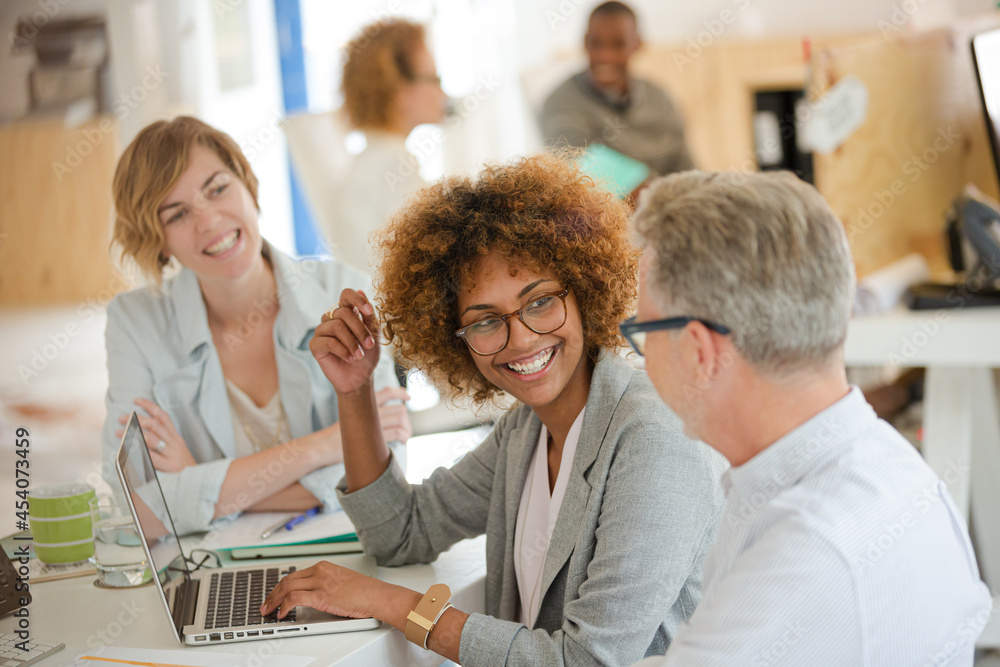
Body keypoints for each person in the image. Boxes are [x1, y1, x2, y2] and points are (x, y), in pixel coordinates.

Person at [261, 154, 725, 665]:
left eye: (541, 301)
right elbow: (401, 532)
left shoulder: (655, 437)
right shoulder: (525, 431)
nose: (521, 338)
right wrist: (355, 390)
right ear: (455, 341)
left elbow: (587, 660)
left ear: (585, 290)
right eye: (485, 322)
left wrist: (388, 602)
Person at [624, 170, 992, 665]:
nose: (642, 358)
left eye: (643, 332)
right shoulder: (887, 466)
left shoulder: (804, 553)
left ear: (698, 349)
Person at [101, 116, 411, 536]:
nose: (209, 221)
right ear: (157, 241)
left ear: (248, 185)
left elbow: (384, 477)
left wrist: (203, 481)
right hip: (213, 566)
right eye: (177, 214)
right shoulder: (134, 322)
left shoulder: (342, 290)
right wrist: (327, 444)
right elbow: (138, 504)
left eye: (217, 188)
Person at [330, 18, 447, 273]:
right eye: (434, 79)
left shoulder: (368, 161)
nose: (442, 93)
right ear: (399, 88)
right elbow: (429, 267)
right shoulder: (396, 165)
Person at [541, 1, 694, 177]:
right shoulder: (561, 101)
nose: (605, 55)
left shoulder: (660, 98)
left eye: (618, 44)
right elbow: (582, 171)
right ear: (585, 42)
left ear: (637, 44)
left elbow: (686, 168)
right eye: (595, 43)